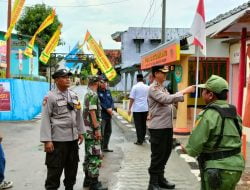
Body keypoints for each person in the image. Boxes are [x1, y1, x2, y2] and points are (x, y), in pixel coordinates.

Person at [185, 75, 245, 190]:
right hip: (236, 167)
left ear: (210, 95)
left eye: (204, 91)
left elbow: (193, 146)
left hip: (216, 169)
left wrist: (186, 149)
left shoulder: (207, 115)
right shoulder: (235, 114)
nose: (202, 94)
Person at [147, 65, 195, 190]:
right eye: (163, 72)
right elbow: (166, 99)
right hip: (157, 127)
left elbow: (170, 98)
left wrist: (177, 100)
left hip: (167, 126)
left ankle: (160, 179)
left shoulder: (162, 87)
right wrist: (184, 91)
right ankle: (152, 183)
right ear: (156, 73)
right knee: (157, 155)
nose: (165, 74)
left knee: (166, 152)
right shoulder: (153, 88)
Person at [40, 69, 84, 190]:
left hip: (73, 140)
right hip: (58, 141)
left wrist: (80, 132)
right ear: (57, 80)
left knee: (72, 170)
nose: (68, 79)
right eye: (64, 77)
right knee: (54, 172)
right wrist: (47, 140)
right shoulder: (50, 97)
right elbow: (45, 118)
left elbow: (78, 114)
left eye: (68, 77)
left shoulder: (74, 95)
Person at [82, 76, 108, 190]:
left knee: (88, 155)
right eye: (101, 82)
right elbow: (92, 112)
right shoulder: (93, 94)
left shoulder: (88, 93)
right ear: (97, 83)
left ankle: (87, 180)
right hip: (92, 131)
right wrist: (97, 129)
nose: (103, 84)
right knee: (94, 156)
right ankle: (94, 183)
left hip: (87, 131)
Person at [128, 73, 149, 145]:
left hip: (137, 109)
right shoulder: (147, 87)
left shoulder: (135, 87)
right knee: (143, 124)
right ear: (142, 79)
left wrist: (129, 109)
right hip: (145, 109)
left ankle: (139, 140)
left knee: (138, 125)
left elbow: (131, 99)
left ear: (137, 79)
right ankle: (142, 138)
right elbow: (149, 98)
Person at [98, 77, 114, 152]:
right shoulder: (98, 92)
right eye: (103, 82)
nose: (104, 84)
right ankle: (100, 149)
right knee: (102, 132)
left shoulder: (108, 91)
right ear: (100, 83)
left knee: (108, 131)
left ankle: (105, 147)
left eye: (105, 82)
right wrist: (107, 109)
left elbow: (111, 101)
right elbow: (100, 103)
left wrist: (111, 108)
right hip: (102, 115)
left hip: (109, 115)